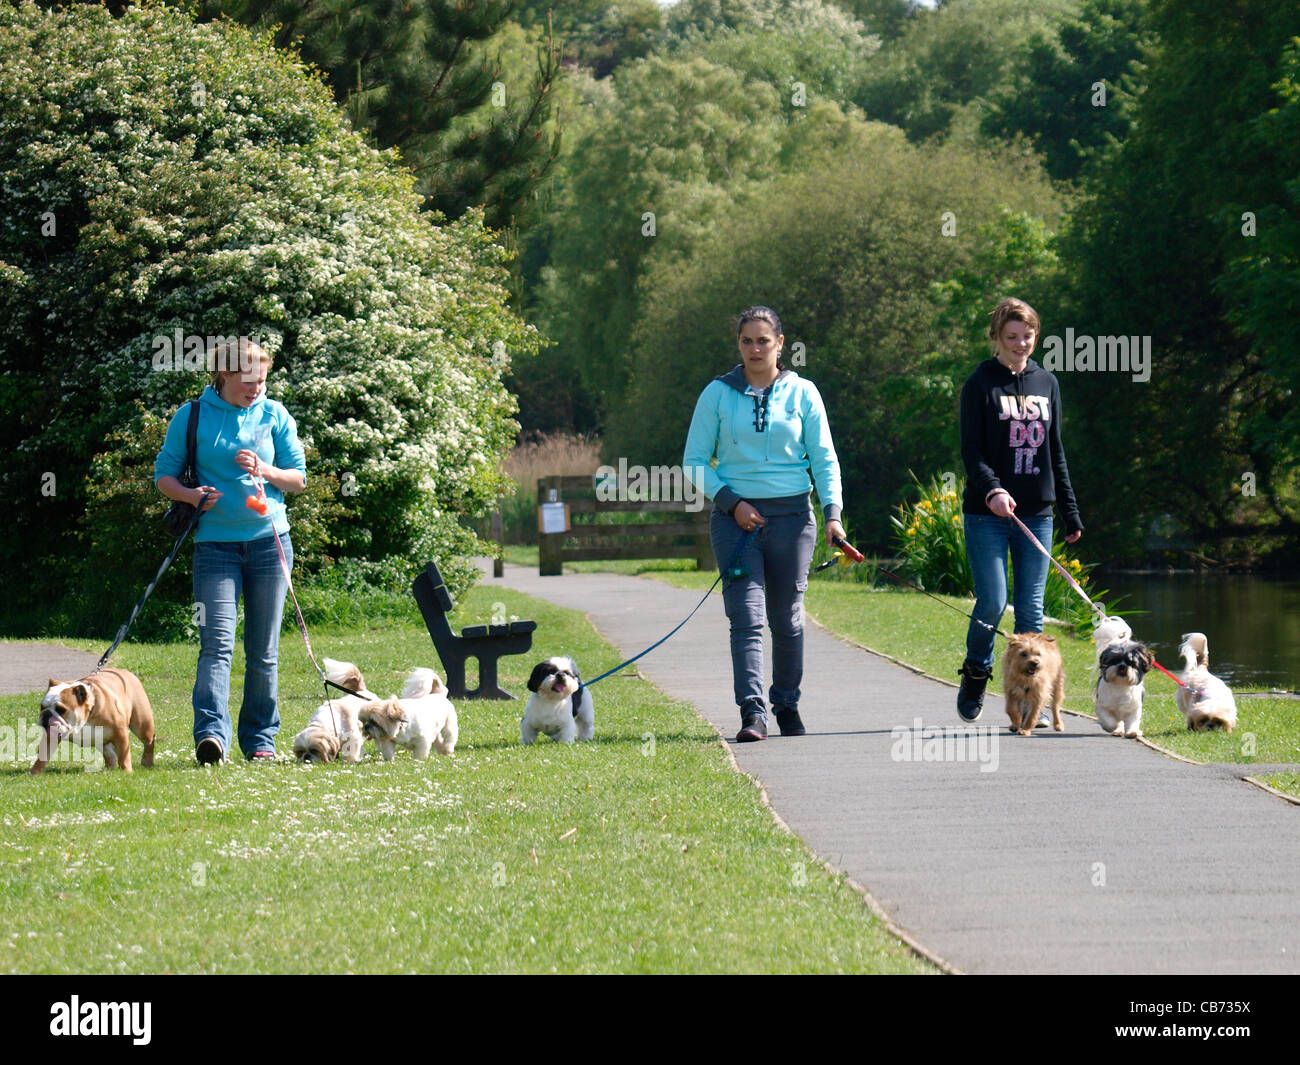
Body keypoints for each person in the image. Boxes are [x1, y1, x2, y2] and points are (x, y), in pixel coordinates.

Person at [684, 306, 845, 742]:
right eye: (747, 341)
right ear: (739, 346)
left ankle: (786, 703)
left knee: (787, 619)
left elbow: (824, 457)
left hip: (793, 520)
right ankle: (752, 712)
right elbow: (694, 462)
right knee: (746, 617)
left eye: (763, 340)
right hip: (735, 524)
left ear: (780, 344)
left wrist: (834, 514)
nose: (755, 348)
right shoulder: (717, 394)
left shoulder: (804, 393)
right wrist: (731, 502)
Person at [155, 339, 307, 763]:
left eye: (262, 379)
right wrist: (190, 495)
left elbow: (298, 478)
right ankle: (211, 737)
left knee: (263, 650)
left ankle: (260, 740)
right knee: (217, 644)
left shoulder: (275, 414)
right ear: (223, 374)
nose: (257, 388)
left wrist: (267, 471)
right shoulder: (193, 415)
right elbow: (164, 476)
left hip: (270, 543)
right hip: (214, 548)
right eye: (248, 380)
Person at [957, 297, 1083, 721]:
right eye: (1012, 337)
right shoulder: (979, 384)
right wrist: (992, 490)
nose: (1020, 344)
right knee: (993, 601)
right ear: (996, 337)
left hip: (1036, 513)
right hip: (985, 513)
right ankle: (977, 671)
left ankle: (1036, 699)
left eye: (1027, 336)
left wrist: (1069, 510)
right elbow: (971, 451)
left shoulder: (1047, 383)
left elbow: (1055, 450)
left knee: (1032, 611)